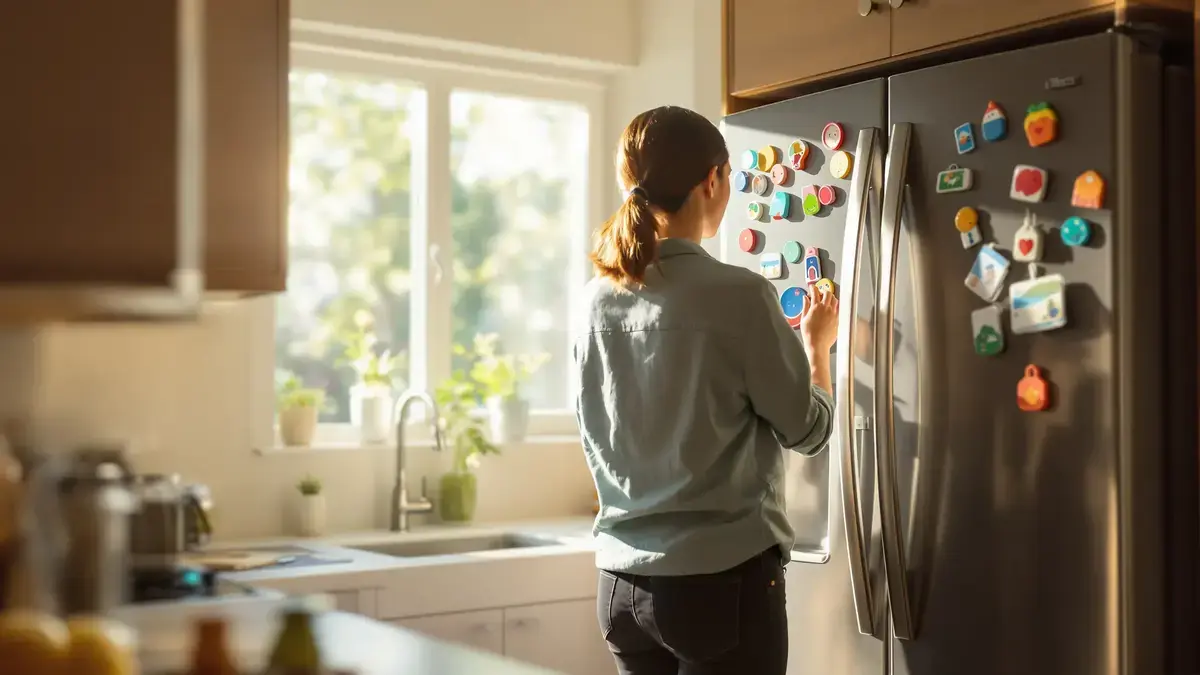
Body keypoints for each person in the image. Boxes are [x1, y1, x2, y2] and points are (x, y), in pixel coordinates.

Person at [572, 105, 839, 675]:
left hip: (619, 587)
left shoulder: (593, 302)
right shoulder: (739, 294)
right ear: (712, 180)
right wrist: (817, 348)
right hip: (718, 584)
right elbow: (808, 431)